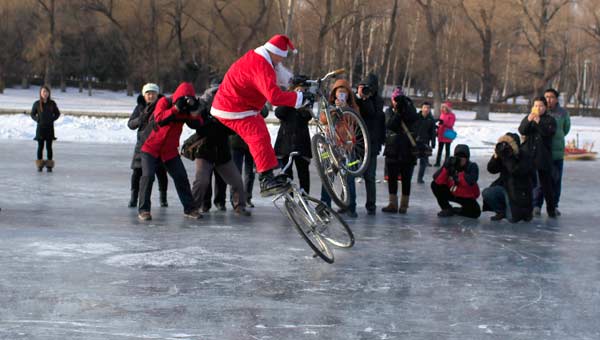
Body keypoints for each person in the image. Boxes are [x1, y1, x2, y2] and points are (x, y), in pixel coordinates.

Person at [210, 34, 313, 197]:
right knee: (257, 136)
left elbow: (278, 73)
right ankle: (265, 180)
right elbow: (274, 97)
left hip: (241, 105)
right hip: (232, 107)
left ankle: (270, 174)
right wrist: (300, 98)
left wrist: (294, 81)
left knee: (262, 135)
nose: (281, 61)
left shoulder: (264, 58)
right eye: (281, 57)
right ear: (275, 52)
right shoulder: (260, 65)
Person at [137, 81, 204, 221]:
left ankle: (190, 209)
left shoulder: (186, 109)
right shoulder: (164, 102)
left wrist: (194, 111)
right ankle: (144, 210)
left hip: (169, 150)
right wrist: (175, 109)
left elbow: (197, 125)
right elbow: (159, 119)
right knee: (148, 176)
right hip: (150, 147)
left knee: (181, 177)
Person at [190, 88, 251, 217]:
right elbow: (194, 123)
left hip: (223, 153)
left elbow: (233, 130)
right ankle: (193, 207)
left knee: (236, 181)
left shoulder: (229, 110)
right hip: (204, 152)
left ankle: (239, 206)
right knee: (202, 181)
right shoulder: (203, 108)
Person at [319, 78, 360, 217]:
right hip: (330, 147)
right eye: (339, 92)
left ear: (348, 94)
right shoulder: (329, 106)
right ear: (334, 94)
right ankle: (325, 206)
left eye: (344, 93)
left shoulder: (353, 107)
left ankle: (351, 207)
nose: (341, 95)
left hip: (347, 148)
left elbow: (356, 120)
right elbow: (323, 119)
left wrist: (345, 108)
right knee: (328, 178)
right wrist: (333, 111)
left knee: (349, 180)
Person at [127, 83, 169, 208]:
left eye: (153, 93)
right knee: (137, 172)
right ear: (144, 95)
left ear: (157, 95)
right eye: (148, 93)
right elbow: (130, 124)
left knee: (161, 173)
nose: (150, 96)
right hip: (141, 145)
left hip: (158, 144)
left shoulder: (163, 106)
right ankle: (134, 198)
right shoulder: (139, 107)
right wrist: (140, 119)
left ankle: (163, 198)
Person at [531, 88, 570, 216]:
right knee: (539, 181)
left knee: (555, 180)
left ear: (556, 99)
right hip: (542, 153)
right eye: (546, 96)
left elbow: (566, 129)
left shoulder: (563, 113)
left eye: (551, 97)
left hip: (556, 153)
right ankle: (537, 205)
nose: (548, 99)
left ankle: (554, 205)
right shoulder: (540, 111)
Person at [352, 73, 386, 215]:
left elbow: (372, 114)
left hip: (371, 144)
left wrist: (366, 99)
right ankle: (348, 203)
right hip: (355, 142)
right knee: (349, 173)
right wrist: (359, 96)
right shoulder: (355, 99)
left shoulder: (378, 101)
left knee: (370, 177)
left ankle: (371, 205)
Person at [381, 87, 418, 214]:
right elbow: (390, 125)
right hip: (393, 148)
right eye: (394, 100)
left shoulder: (411, 109)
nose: (396, 102)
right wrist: (398, 112)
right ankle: (392, 203)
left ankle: (404, 205)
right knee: (392, 178)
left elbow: (414, 122)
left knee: (406, 178)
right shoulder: (389, 111)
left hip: (408, 149)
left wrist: (405, 108)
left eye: (398, 100)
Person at [519, 96, 557, 218]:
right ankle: (528, 208)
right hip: (529, 155)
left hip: (543, 157)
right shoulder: (529, 117)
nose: (538, 108)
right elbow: (522, 130)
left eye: (540, 106)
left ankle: (551, 209)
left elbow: (549, 132)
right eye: (535, 105)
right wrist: (528, 121)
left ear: (545, 107)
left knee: (546, 184)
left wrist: (539, 122)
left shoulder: (549, 120)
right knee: (528, 183)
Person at [482, 133, 534, 223]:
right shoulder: (503, 155)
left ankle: (523, 214)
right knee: (487, 193)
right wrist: (496, 157)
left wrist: (509, 157)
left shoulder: (524, 156)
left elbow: (515, 170)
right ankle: (501, 211)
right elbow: (491, 169)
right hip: (505, 186)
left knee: (512, 219)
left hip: (520, 191)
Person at [274, 76, 313, 194]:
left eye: (304, 90)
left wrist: (303, 104)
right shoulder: (286, 97)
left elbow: (308, 117)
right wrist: (292, 100)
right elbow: (279, 113)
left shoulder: (307, 100)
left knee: (304, 173)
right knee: (287, 173)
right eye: (299, 90)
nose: (301, 92)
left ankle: (305, 198)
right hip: (285, 142)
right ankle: (289, 198)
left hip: (302, 141)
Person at [229, 105, 269, 208]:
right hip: (236, 142)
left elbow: (264, 112)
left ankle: (247, 198)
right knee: (236, 173)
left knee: (250, 173)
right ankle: (235, 198)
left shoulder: (253, 99)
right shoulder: (237, 100)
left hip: (251, 142)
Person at [431, 144, 481, 218]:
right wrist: (445, 168)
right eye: (458, 156)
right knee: (434, 185)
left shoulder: (472, 166)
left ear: (467, 158)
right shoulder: (452, 165)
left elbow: (471, 181)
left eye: (463, 157)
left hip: (467, 195)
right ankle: (446, 208)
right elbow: (438, 180)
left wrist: (458, 175)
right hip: (453, 192)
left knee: (475, 213)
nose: (460, 159)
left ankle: (460, 210)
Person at [31, 85, 60, 172]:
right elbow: (32, 114)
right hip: (40, 128)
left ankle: (49, 165)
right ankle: (39, 165)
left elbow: (57, 113)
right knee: (40, 146)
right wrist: (38, 119)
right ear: (40, 93)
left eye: (46, 92)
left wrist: (52, 119)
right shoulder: (36, 103)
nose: (45, 93)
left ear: (48, 93)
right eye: (43, 92)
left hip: (49, 128)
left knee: (49, 147)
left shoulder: (52, 103)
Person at [414, 101, 437, 183]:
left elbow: (433, 132)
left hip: (425, 143)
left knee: (423, 162)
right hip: (415, 142)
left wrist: (433, 142)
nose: (426, 109)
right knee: (412, 161)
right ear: (422, 108)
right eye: (425, 107)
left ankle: (420, 178)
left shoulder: (431, 119)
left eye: (428, 108)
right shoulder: (416, 117)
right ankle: (407, 176)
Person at [434, 101, 456, 167]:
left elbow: (451, 124)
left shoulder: (452, 115)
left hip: (447, 134)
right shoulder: (442, 114)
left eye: (444, 107)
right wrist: (437, 131)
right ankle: (437, 162)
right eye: (442, 107)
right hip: (441, 133)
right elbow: (441, 124)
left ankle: (447, 163)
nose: (443, 109)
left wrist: (443, 123)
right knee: (439, 149)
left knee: (447, 150)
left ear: (448, 108)